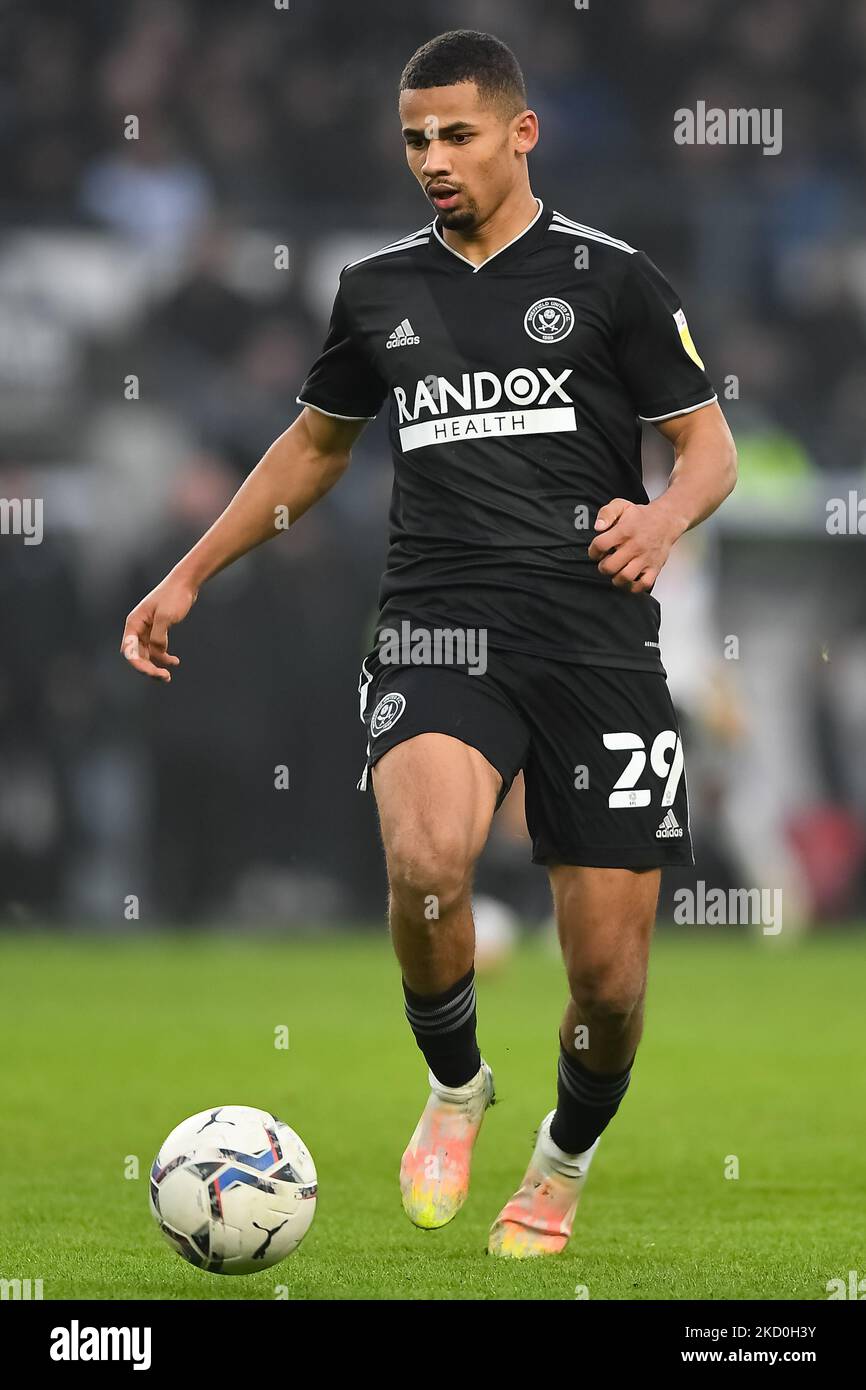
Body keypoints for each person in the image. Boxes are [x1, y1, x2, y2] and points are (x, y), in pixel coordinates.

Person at [121, 29, 737, 1258]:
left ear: (521, 132)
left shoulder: (612, 278)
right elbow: (314, 448)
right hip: (437, 619)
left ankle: (559, 1160)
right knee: (423, 863)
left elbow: (704, 445)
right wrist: (189, 573)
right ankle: (457, 1085)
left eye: (456, 134)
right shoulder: (377, 289)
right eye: (414, 138)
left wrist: (663, 517)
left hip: (595, 638)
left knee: (607, 989)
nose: (432, 159)